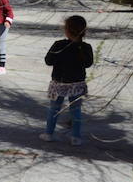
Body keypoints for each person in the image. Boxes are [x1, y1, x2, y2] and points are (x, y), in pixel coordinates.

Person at [40, 15, 93, 146]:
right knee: (76, 110)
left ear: (67, 30)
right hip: (77, 83)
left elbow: (48, 61)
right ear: (84, 31)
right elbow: (88, 63)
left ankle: (48, 133)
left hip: (59, 82)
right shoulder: (86, 47)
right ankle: (76, 137)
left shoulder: (59, 45)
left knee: (54, 108)